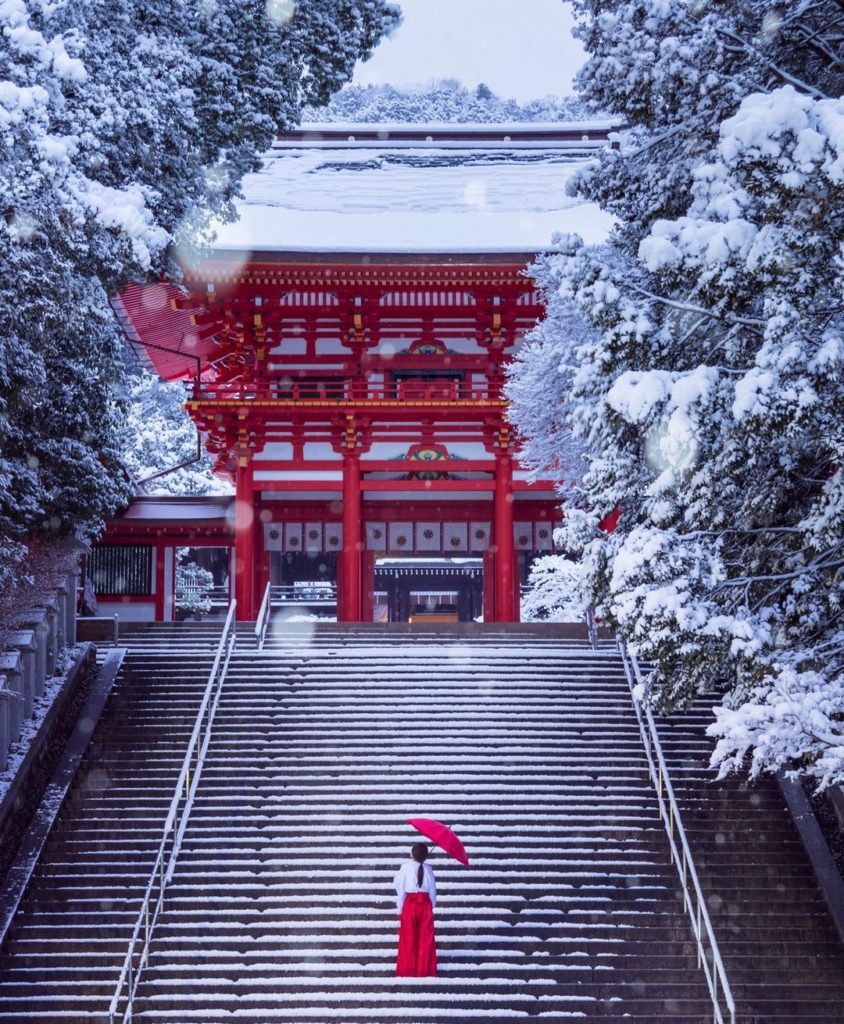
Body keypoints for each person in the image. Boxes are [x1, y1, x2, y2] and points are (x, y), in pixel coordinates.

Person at [394, 842, 437, 976]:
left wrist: (399, 908)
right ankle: (425, 970)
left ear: (412, 854)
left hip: (410, 904)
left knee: (408, 938)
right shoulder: (429, 869)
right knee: (426, 938)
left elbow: (400, 888)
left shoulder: (405, 867)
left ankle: (407, 970)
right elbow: (433, 890)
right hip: (425, 904)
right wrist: (432, 905)